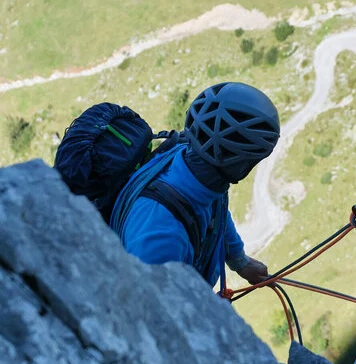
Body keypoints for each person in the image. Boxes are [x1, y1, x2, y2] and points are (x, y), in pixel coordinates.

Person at [114, 82, 278, 289]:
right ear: (240, 164)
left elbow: (216, 209)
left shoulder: (194, 161)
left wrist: (239, 261)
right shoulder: (162, 237)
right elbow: (150, 312)